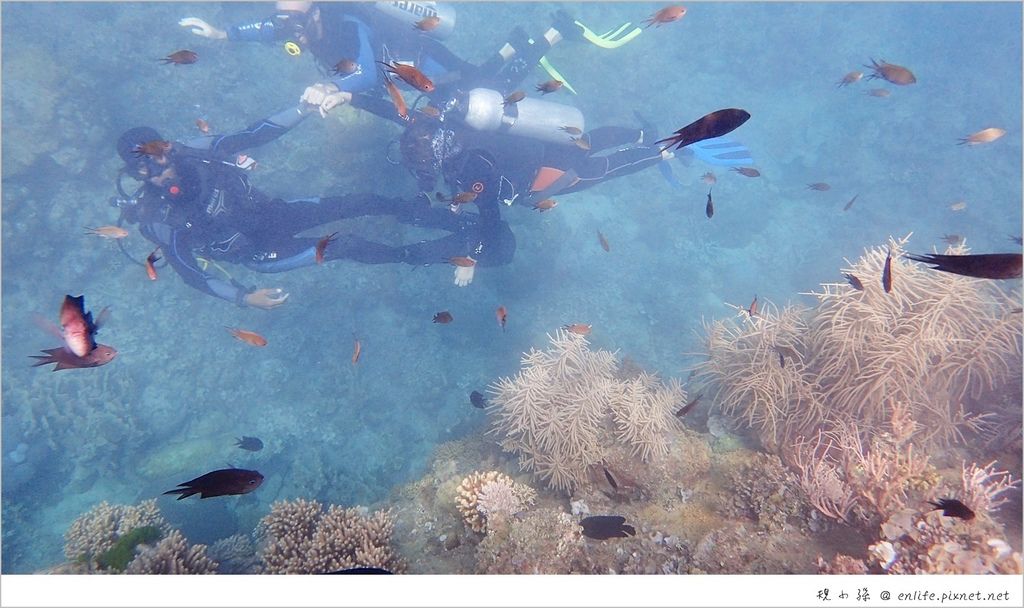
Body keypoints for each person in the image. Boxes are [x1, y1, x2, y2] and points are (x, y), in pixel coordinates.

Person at [113, 105, 515, 308]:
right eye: (142, 167)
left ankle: (462, 224)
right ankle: (423, 255)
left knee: (362, 201)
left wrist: (305, 105)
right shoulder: (158, 218)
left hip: (274, 212)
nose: (157, 169)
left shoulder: (196, 153)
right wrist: (242, 297)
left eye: (158, 154)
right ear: (135, 174)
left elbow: (256, 134)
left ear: (166, 147)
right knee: (344, 245)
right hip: (258, 252)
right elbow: (191, 275)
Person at [180, 2, 584, 118]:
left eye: (297, 24)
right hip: (405, 76)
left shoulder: (346, 22)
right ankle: (514, 43)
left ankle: (556, 32)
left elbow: (368, 72)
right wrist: (221, 34)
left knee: (486, 90)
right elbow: (265, 30)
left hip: (424, 66)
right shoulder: (293, 26)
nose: (292, 34)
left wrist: (334, 87)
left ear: (317, 12)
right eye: (285, 24)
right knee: (479, 77)